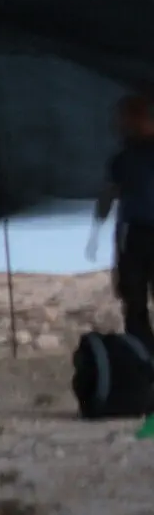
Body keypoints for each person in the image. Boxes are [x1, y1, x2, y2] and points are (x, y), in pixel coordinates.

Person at [94, 94, 154, 352]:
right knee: (133, 298)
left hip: (139, 232)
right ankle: (142, 354)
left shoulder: (128, 158)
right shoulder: (123, 158)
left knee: (134, 298)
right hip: (134, 234)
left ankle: (142, 352)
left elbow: (108, 196)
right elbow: (109, 194)